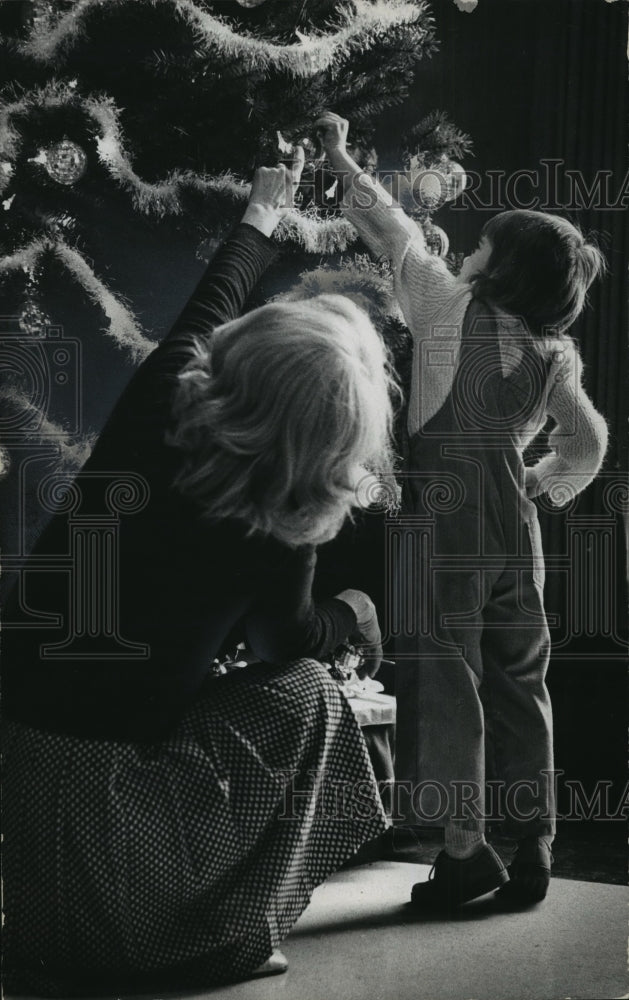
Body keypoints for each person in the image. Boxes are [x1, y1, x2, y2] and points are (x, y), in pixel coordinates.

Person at [2, 148, 396, 996]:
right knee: (311, 695)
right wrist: (354, 613)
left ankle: (140, 914)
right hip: (120, 825)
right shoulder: (281, 520)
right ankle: (224, 929)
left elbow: (208, 302)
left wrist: (263, 206)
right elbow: (283, 645)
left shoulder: (156, 410)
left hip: (28, 795)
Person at [316, 111, 608, 909]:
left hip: (440, 527)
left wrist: (341, 157)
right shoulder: (555, 353)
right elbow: (588, 443)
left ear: (500, 268)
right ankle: (534, 842)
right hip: (515, 535)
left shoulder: (447, 306)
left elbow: (394, 232)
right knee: (521, 680)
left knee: (447, 682)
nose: (466, 248)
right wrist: (534, 486)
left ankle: (462, 852)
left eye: (481, 243)